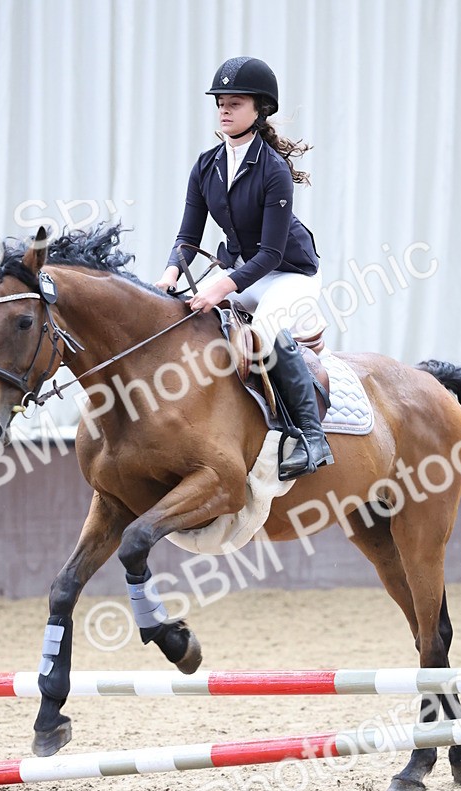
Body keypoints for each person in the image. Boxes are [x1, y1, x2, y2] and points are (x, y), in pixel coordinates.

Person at [154, 56, 333, 480]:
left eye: (235, 102)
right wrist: (169, 276)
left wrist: (220, 288)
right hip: (246, 270)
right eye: (220, 102)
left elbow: (271, 254)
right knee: (190, 316)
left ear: (259, 110)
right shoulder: (206, 165)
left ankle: (311, 438)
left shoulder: (273, 170)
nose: (224, 110)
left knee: (265, 329)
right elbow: (187, 239)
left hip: (290, 272)